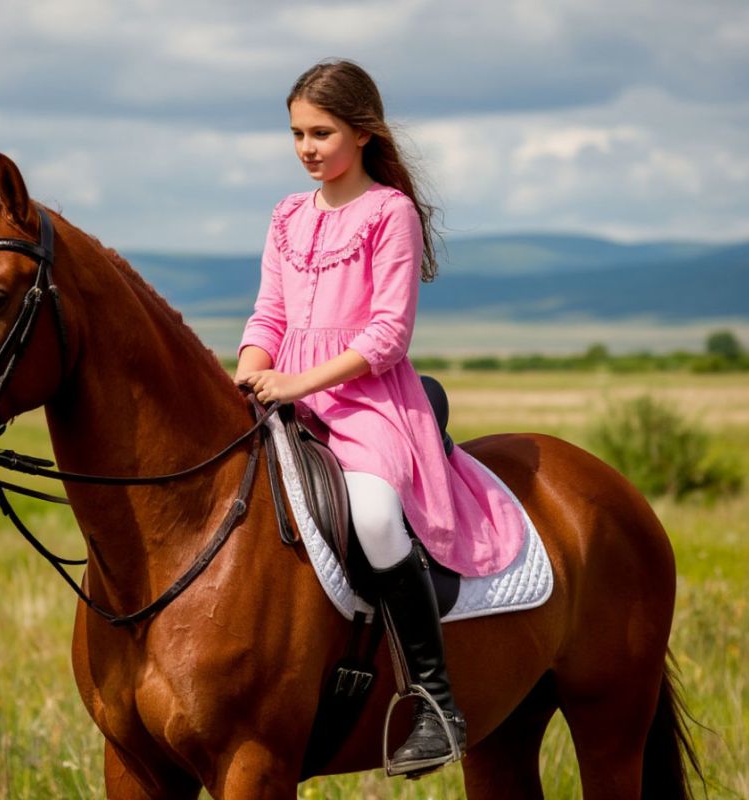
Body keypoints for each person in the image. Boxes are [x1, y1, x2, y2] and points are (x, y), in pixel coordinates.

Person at [234, 59, 523, 776]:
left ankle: (434, 698)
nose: (306, 147)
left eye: (322, 132)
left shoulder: (389, 215)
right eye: (297, 132)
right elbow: (269, 312)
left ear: (363, 134)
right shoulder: (286, 216)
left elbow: (387, 333)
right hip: (284, 394)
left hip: (369, 405)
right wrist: (247, 371)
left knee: (370, 513)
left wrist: (298, 379)